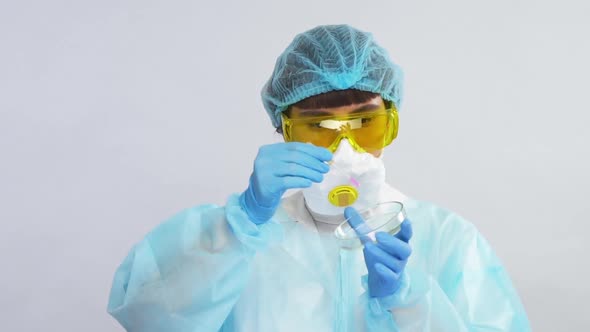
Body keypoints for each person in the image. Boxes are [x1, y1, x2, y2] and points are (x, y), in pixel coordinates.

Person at [107, 24, 531, 331]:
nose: (345, 150)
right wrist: (242, 224)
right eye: (317, 128)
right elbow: (148, 317)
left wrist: (410, 302)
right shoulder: (232, 243)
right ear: (283, 129)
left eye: (365, 123)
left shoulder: (446, 240)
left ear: (392, 122)